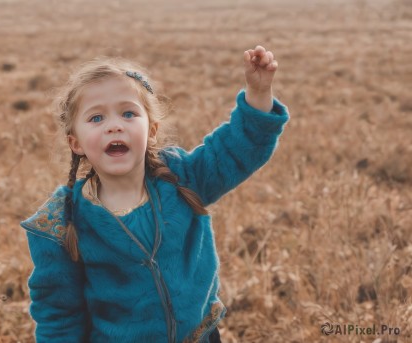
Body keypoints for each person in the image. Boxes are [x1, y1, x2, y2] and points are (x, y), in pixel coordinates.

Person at [20, 45, 289, 343]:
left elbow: (234, 151)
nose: (115, 126)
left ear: (152, 131)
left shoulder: (182, 178)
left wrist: (259, 94)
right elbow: (59, 314)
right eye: (96, 118)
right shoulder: (62, 222)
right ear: (76, 143)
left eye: (128, 113)